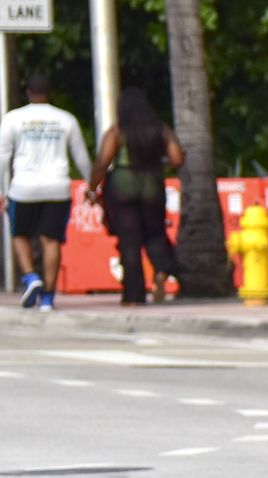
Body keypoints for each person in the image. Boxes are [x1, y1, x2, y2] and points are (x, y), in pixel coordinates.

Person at [0, 74, 92, 312]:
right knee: (51, 241)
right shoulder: (65, 119)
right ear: (49, 92)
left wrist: (0, 190)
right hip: (57, 188)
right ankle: (48, 299)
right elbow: (81, 158)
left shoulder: (13, 119)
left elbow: (2, 157)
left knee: (19, 234)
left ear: (28, 92)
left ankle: (31, 277)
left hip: (23, 188)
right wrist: (93, 186)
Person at [87, 87, 184, 306]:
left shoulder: (118, 131)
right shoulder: (161, 129)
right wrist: (159, 163)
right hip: (152, 184)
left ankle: (134, 295)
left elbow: (103, 162)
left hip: (122, 186)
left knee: (129, 241)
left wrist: (92, 187)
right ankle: (161, 269)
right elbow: (177, 158)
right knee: (155, 233)